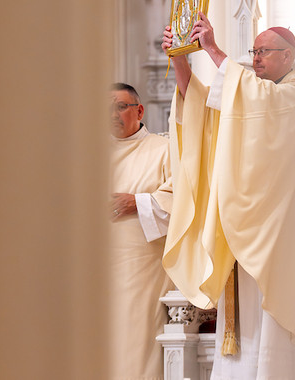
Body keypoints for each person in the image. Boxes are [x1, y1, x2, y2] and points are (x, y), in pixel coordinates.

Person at [160, 12, 295, 380]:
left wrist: (212, 49)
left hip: (276, 237)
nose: (257, 57)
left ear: (289, 55)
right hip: (244, 228)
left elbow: (254, 100)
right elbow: (203, 109)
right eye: (254, 50)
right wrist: (181, 58)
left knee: (268, 334)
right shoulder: (250, 96)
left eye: (265, 50)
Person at [108, 82, 176, 380]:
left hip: (143, 267)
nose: (113, 113)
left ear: (139, 110)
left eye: (121, 106)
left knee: (134, 342)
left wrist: (137, 202)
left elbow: (184, 201)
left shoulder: (164, 149)